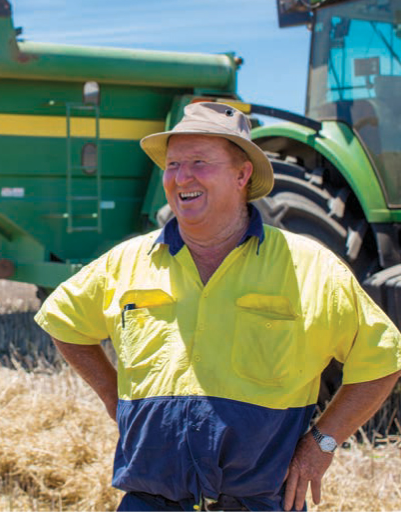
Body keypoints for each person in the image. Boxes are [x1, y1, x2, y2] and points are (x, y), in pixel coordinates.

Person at [35, 101, 401, 511]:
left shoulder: (309, 268)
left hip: (257, 502)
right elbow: (62, 323)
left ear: (243, 174)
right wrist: (112, 396)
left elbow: (383, 359)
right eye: (172, 164)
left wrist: (323, 441)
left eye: (199, 161)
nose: (181, 177)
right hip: (149, 501)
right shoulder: (127, 263)